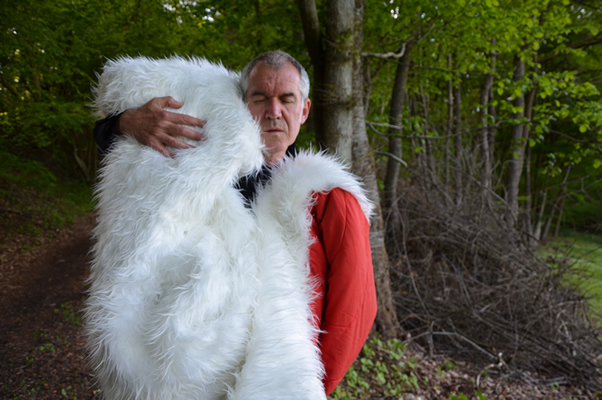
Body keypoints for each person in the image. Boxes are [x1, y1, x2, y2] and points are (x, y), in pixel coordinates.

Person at [92, 50, 377, 396]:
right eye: (261, 98)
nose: (274, 112)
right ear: (242, 104)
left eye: (286, 99)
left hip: (278, 377)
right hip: (193, 376)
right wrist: (123, 123)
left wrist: (308, 385)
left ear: (304, 110)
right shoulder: (208, 165)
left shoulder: (330, 196)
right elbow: (134, 163)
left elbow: (355, 308)